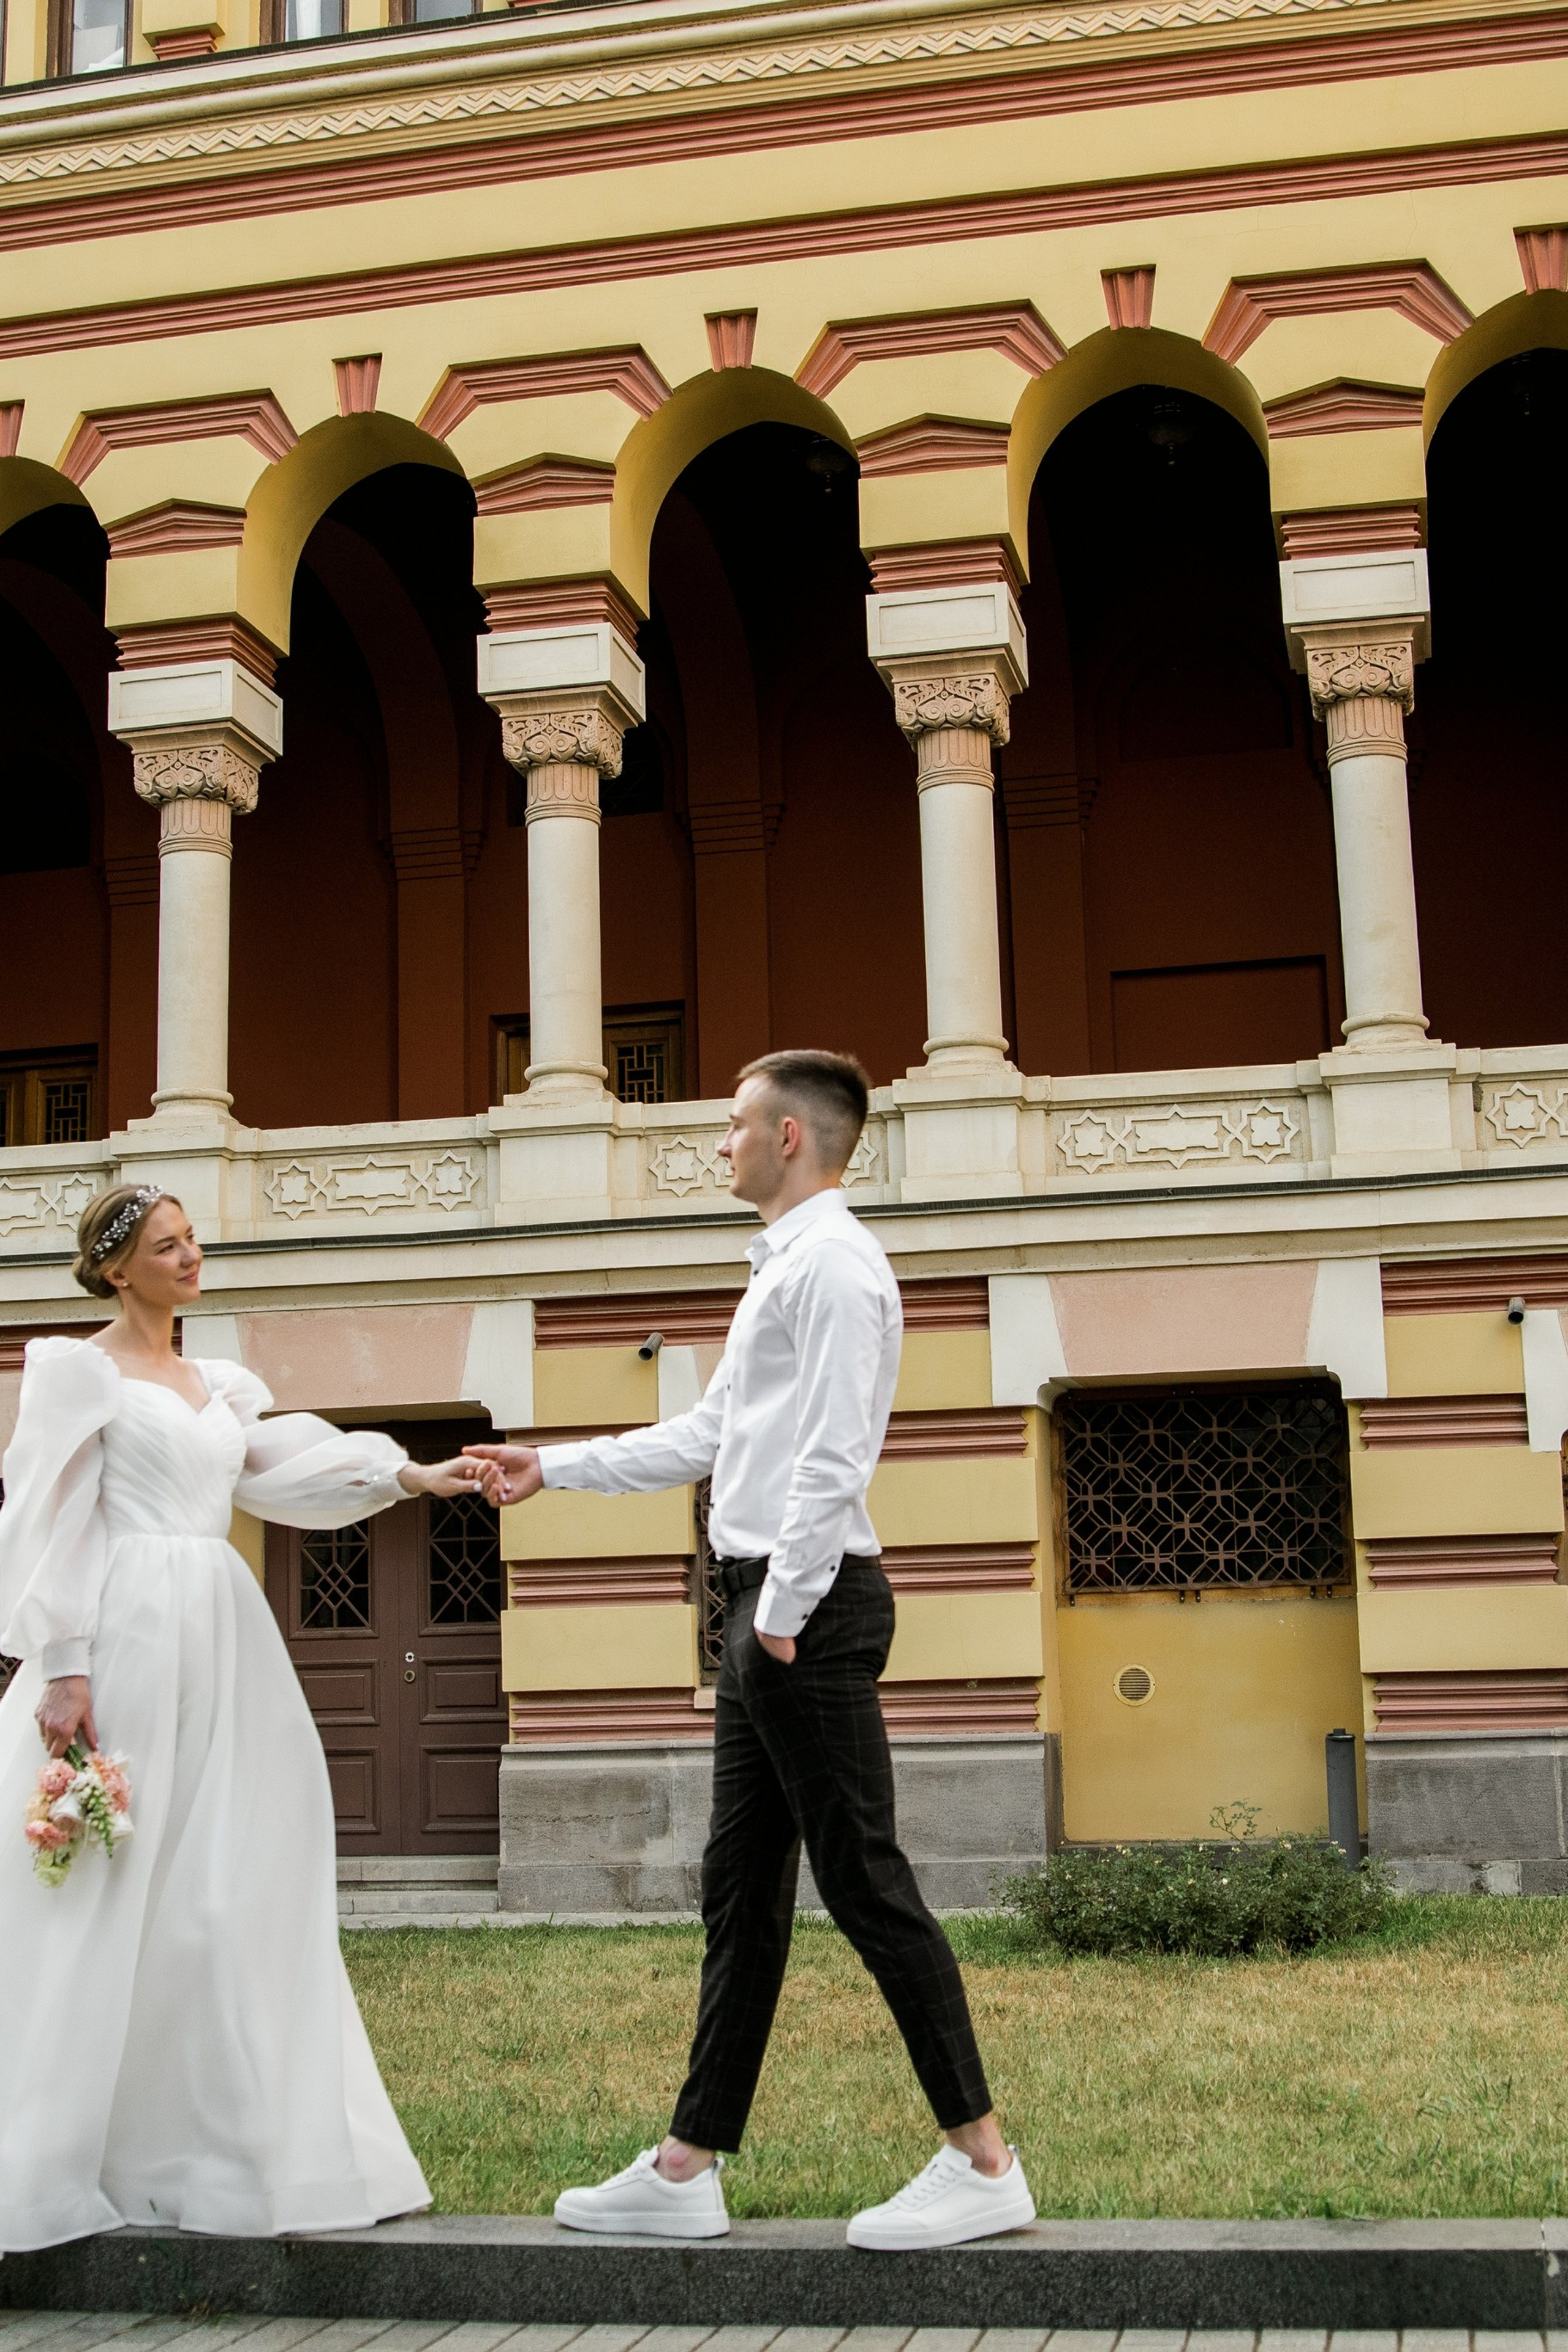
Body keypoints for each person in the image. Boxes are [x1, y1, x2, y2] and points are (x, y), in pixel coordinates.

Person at [469, 1049, 1035, 2252]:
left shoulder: (832, 1266)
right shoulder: (785, 1265)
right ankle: (685, 2167)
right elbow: (713, 1433)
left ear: (789, 1137)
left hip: (803, 1613)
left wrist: (776, 1612)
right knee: (742, 1898)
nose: (716, 1142)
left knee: (864, 1883)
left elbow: (834, 1454)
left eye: (732, 1124)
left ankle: (981, 2160)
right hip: (772, 1608)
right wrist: (550, 1467)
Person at [0, 1182, 483, 2250]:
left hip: (221, 1636)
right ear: (116, 1269)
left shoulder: (216, 1384)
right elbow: (48, 1520)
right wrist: (65, 1667)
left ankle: (216, 2146)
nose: (191, 1257)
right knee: (113, 1881)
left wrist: (412, 1473)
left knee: (224, 1883)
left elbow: (283, 1469)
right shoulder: (79, 1376)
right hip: (122, 1634)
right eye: (168, 1246)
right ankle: (63, 2144)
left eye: (193, 1240)